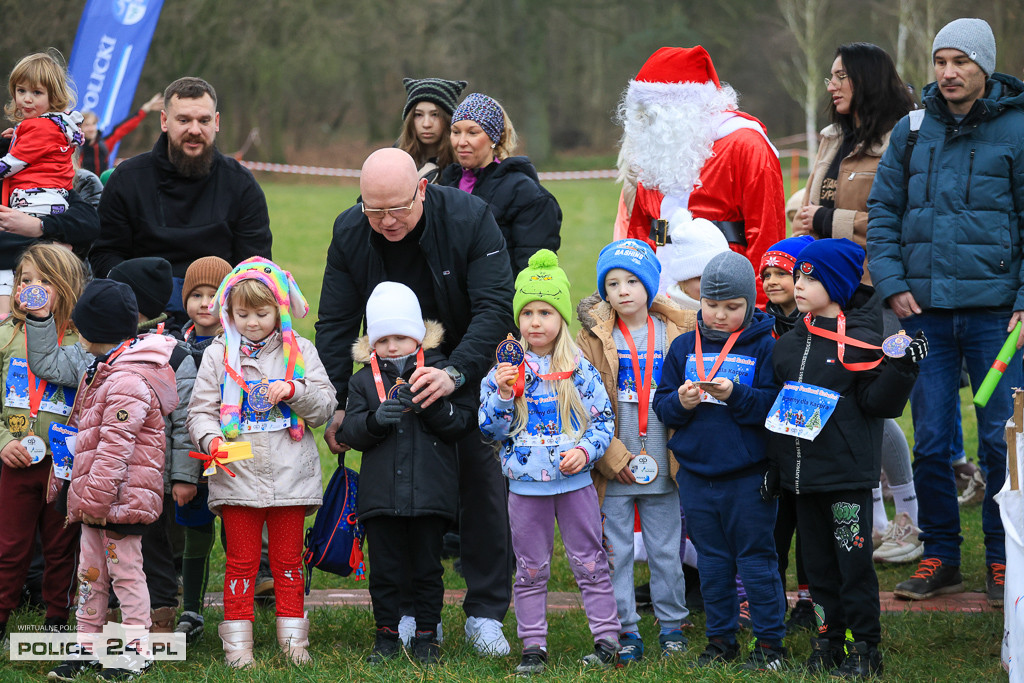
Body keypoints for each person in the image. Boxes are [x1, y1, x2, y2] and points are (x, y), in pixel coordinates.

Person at [316, 147, 516, 656]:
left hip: (467, 368)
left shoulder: (471, 219)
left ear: (422, 189)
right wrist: (339, 402)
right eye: (373, 210)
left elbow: (495, 308)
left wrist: (454, 373)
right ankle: (411, 612)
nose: (386, 222)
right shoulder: (349, 232)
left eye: (398, 208)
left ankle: (486, 611)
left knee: (481, 486)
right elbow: (335, 323)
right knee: (396, 498)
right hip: (387, 378)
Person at [867, 17, 1024, 606]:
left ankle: (1003, 558)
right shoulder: (912, 129)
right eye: (941, 62)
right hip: (924, 317)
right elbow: (883, 212)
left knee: (997, 439)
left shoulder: (1017, 129)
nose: (949, 73)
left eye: (961, 61)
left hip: (996, 321)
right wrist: (893, 283)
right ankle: (940, 557)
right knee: (932, 438)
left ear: (984, 65)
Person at [766, 238, 925, 677]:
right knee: (817, 572)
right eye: (796, 275)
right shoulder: (787, 344)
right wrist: (777, 471)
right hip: (803, 481)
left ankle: (863, 648)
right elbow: (780, 415)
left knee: (852, 568)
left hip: (846, 480)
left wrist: (903, 369)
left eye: (809, 277)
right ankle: (827, 642)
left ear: (835, 284)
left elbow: (881, 405)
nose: (797, 285)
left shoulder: (865, 341)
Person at [187, 257, 336, 667]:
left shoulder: (300, 352)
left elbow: (324, 406)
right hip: (237, 477)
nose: (252, 322)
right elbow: (199, 411)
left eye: (262, 313)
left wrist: (293, 389)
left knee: (288, 562)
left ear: (280, 311)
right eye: (242, 314)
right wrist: (211, 437)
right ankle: (238, 646)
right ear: (228, 313)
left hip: (290, 477)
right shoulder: (218, 355)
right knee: (241, 562)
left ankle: (294, 643)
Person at [480, 250, 619, 674]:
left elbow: (603, 422)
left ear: (560, 317)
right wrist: (504, 396)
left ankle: (607, 639)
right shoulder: (504, 370)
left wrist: (586, 451)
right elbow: (489, 431)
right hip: (525, 490)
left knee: (591, 562)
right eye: (528, 313)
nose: (535, 322)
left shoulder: (578, 368)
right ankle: (533, 646)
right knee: (530, 568)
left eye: (546, 311)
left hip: (574, 487)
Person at [652, 251, 787, 671]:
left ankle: (769, 646)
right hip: (696, 476)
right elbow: (663, 408)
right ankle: (721, 640)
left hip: (749, 477)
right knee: (711, 562)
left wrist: (736, 395)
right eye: (712, 305)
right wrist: (682, 401)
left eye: (732, 307)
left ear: (750, 303)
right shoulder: (681, 347)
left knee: (756, 561)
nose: (720, 315)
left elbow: (773, 408)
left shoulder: (767, 347)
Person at [48, 279, 179, 681]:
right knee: (90, 575)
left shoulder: (126, 380)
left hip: (117, 501)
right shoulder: (102, 370)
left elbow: (114, 449)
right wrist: (68, 485)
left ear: (94, 329)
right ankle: (88, 646)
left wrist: (94, 500)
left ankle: (138, 651)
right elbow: (83, 436)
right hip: (95, 498)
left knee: (125, 574)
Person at [341, 282, 476, 665]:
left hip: (429, 494)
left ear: (418, 336)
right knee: (384, 571)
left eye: (402, 337)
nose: (393, 346)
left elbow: (460, 425)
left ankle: (427, 635)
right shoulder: (362, 381)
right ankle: (385, 634)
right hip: (380, 498)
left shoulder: (438, 372)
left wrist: (431, 407)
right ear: (372, 343)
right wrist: (373, 421)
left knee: (427, 570)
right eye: (383, 339)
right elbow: (350, 433)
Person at [575, 239, 695, 662]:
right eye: (612, 283)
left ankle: (672, 625)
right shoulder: (590, 339)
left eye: (632, 280)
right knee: (617, 552)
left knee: (666, 548)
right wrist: (610, 457)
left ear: (649, 285)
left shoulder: (678, 332)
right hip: (614, 465)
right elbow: (581, 405)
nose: (623, 290)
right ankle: (624, 627)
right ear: (603, 291)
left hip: (664, 459)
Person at [89, 77, 272, 329]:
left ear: (216, 122)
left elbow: (255, 268)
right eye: (183, 120)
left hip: (218, 322)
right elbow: (104, 254)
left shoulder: (241, 185)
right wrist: (139, 301)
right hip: (142, 318)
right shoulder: (128, 178)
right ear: (164, 121)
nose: (194, 130)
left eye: (204, 121)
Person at [618, 46, 786, 304]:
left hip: (723, 295)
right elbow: (641, 230)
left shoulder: (745, 145)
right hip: (657, 292)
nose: (645, 120)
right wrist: (630, 280)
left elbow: (767, 234)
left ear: (677, 108)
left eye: (651, 109)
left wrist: (758, 309)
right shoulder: (657, 147)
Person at [0, 244, 85, 644]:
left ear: (66, 287)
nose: (32, 287)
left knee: (61, 548)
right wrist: (4, 441)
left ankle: (56, 621)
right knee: (9, 545)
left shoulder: (82, 344)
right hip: (15, 462)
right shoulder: (5, 336)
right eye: (25, 280)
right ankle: (2, 613)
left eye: (44, 281)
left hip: (63, 465)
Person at [173, 255, 233, 644]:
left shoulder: (239, 344)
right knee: (196, 532)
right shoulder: (173, 344)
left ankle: (237, 608)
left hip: (230, 451)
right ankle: (191, 608)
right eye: (196, 294)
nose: (205, 302)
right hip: (189, 454)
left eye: (214, 295)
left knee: (236, 530)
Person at [439, 92, 562, 273]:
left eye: (473, 132)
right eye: (456, 132)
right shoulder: (444, 186)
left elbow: (532, 273)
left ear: (494, 138)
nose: (461, 142)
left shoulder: (526, 193)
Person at [0, 52, 83, 218]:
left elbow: (13, 163)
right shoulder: (54, 124)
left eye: (37, 92)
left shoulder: (42, 128)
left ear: (53, 96)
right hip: (46, 200)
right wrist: (17, 136)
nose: (27, 99)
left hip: (37, 202)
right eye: (21, 90)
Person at [397, 77, 466, 182]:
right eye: (418, 115)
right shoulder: (395, 159)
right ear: (410, 120)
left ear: (449, 119)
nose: (426, 124)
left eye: (435, 115)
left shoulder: (465, 163)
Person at [77, 93, 163, 175]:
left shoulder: (104, 144)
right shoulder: (75, 148)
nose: (91, 128)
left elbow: (124, 128)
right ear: (80, 128)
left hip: (102, 187)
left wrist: (145, 109)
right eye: (87, 125)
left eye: (93, 124)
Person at [662, 209, 730, 311]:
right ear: (683, 280)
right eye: (702, 278)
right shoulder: (664, 319)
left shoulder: (741, 316)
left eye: (722, 275)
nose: (716, 284)